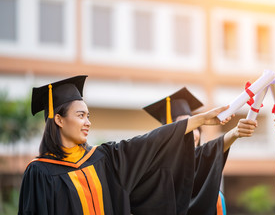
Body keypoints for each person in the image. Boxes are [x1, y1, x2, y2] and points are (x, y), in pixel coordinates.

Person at [18, 75, 235, 215]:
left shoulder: (103, 159)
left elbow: (148, 143)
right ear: (59, 119)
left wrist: (200, 120)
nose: (88, 122)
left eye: (88, 115)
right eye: (81, 115)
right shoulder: (39, 172)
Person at [142, 87, 258, 215]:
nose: (192, 135)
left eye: (195, 127)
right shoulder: (154, 176)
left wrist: (235, 133)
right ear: (169, 134)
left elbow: (208, 152)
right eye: (185, 127)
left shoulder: (214, 193)